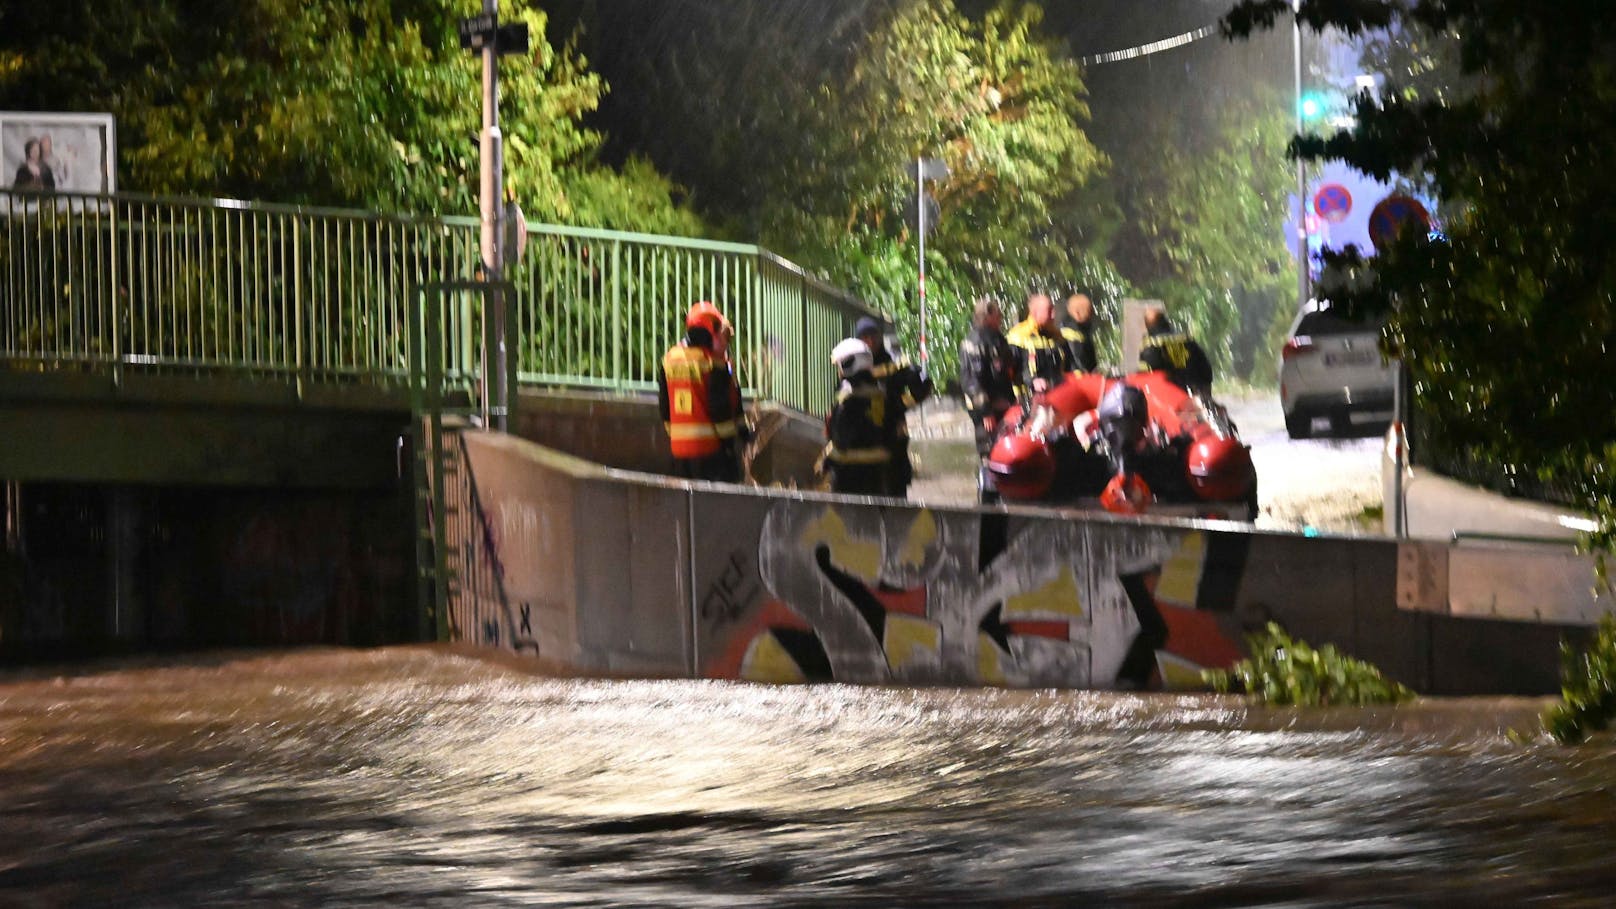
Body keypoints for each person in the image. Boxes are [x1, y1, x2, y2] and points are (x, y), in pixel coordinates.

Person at [658, 301, 748, 482]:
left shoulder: (669, 359)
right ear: (709, 329)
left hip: (679, 453)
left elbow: (665, 407)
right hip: (710, 452)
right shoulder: (713, 362)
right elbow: (719, 409)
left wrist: (676, 435)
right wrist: (730, 444)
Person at [854, 316, 933, 498]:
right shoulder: (853, 366)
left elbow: (923, 385)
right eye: (865, 337)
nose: (871, 341)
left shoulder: (893, 366)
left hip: (892, 434)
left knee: (895, 488)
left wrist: (901, 405)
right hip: (865, 439)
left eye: (873, 336)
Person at [822, 337, 892, 496]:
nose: (839, 372)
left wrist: (828, 459)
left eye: (841, 365)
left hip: (848, 475)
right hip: (878, 474)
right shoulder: (882, 396)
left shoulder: (847, 400)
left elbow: (840, 439)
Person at [958, 296, 1018, 456]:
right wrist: (986, 412)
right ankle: (987, 479)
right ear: (988, 316)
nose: (1001, 318)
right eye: (998, 314)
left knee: (1006, 448)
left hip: (1004, 404)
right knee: (989, 451)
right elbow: (972, 382)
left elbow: (1007, 370)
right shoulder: (974, 342)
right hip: (986, 410)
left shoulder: (997, 339)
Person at [1004, 292, 1076, 400]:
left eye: (1053, 309)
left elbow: (1070, 368)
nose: (1053, 315)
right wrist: (1032, 381)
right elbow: (1009, 374)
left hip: (1058, 399)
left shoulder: (1058, 338)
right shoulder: (1017, 337)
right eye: (1049, 310)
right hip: (1027, 402)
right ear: (1035, 313)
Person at [1137, 308, 1214, 396]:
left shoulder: (1151, 343)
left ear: (1147, 325)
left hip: (1173, 395)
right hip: (1197, 388)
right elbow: (1205, 367)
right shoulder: (1186, 338)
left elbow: (1145, 374)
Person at [1061, 292, 1099, 373]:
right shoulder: (1070, 333)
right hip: (1075, 380)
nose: (1091, 314)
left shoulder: (1083, 331)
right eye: (1087, 311)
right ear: (1077, 313)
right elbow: (1078, 362)